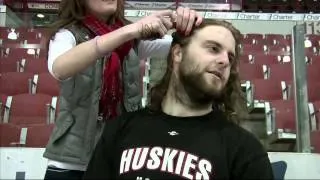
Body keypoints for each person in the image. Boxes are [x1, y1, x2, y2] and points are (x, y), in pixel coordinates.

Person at [83, 19, 275, 179]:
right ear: (177, 53)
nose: (225, 61)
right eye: (213, 48)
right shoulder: (120, 129)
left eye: (230, 57)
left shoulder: (244, 150)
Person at [43, 0, 203, 179]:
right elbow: (59, 68)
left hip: (118, 158)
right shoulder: (67, 34)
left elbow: (181, 50)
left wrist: (189, 26)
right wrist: (130, 30)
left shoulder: (132, 39)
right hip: (70, 163)